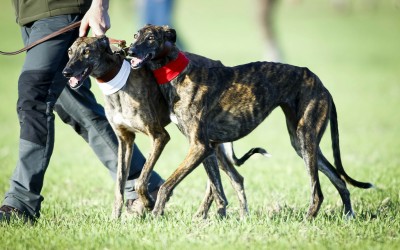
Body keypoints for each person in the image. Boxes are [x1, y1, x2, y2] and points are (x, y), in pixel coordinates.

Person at [0, 0, 164, 223]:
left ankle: (20, 203)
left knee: (34, 95)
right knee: (72, 103)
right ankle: (142, 183)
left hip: (61, 11)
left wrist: (99, 5)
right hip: (29, 14)